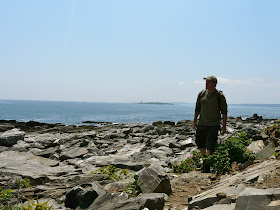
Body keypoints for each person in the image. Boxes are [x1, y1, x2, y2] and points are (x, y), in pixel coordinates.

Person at [193, 76, 228, 159]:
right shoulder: (201, 94)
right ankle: (205, 159)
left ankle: (207, 164)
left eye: (208, 82)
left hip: (213, 124)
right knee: (200, 143)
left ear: (214, 84)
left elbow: (224, 112)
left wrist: (224, 126)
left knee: (210, 145)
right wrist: (194, 121)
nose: (206, 84)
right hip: (202, 123)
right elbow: (197, 109)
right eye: (206, 82)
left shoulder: (219, 95)